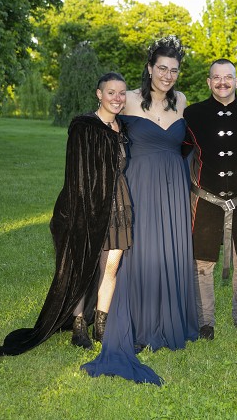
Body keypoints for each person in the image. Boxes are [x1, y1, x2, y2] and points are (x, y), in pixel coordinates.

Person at [0, 72, 147, 365]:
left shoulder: (123, 127)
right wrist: (80, 214)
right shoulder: (83, 126)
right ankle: (79, 327)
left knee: (110, 266)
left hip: (118, 202)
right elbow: (76, 173)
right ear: (99, 94)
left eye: (122, 93)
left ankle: (101, 326)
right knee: (82, 265)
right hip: (87, 204)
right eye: (111, 92)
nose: (117, 98)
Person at [82, 36, 197, 383]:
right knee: (136, 253)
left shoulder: (182, 101)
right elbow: (101, 128)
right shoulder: (128, 98)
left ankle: (166, 320)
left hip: (173, 187)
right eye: (161, 68)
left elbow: (190, 145)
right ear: (149, 68)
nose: (167, 75)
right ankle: (132, 322)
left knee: (167, 251)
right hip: (136, 185)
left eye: (173, 70)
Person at [182, 59, 237, 340]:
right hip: (206, 200)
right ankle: (206, 322)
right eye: (216, 77)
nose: (222, 82)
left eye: (228, 77)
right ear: (209, 82)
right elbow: (180, 150)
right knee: (202, 263)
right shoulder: (193, 114)